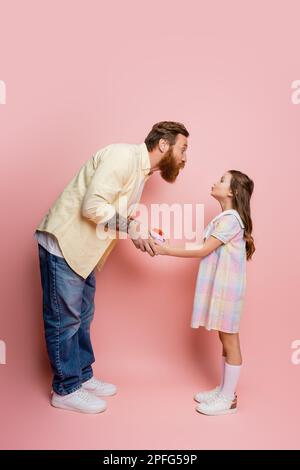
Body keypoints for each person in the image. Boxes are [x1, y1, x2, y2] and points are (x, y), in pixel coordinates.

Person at [34, 121, 189, 413]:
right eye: (183, 148)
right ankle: (65, 389)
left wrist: (140, 233)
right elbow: (92, 206)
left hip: (86, 253)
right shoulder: (123, 157)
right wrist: (132, 227)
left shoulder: (141, 172)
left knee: (83, 317)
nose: (184, 158)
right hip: (66, 243)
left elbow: (114, 216)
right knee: (64, 320)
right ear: (164, 145)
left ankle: (81, 376)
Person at [154, 170, 255, 415]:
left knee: (230, 340)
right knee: (224, 339)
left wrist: (166, 250)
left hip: (228, 291)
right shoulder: (224, 218)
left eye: (221, 180)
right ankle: (223, 390)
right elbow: (204, 247)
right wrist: (169, 245)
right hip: (221, 289)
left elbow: (202, 250)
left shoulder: (231, 219)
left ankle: (228, 398)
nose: (214, 181)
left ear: (232, 192)